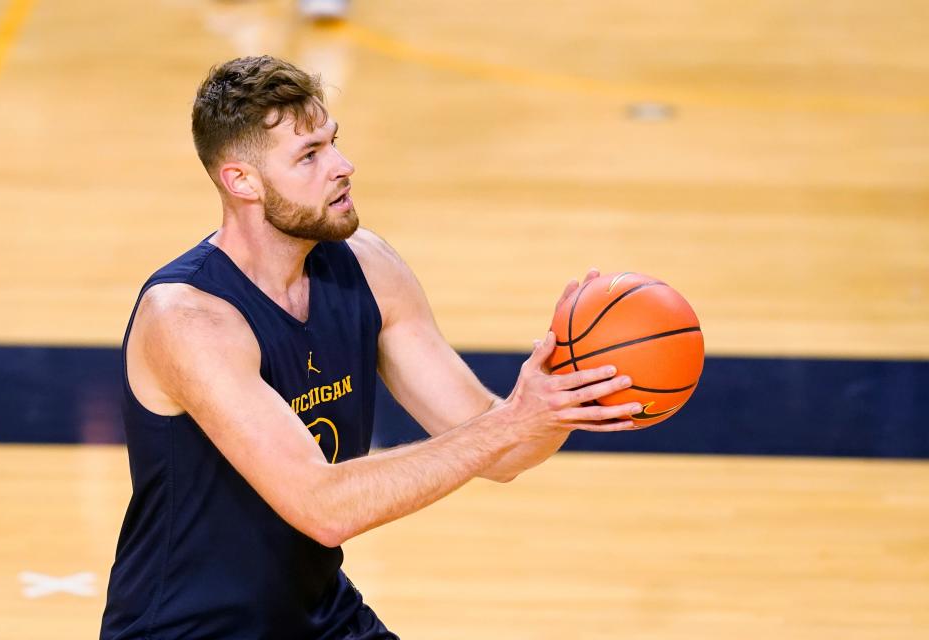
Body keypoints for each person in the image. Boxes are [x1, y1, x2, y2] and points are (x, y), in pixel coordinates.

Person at [100, 55, 644, 640]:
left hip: (319, 617)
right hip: (188, 630)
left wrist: (564, 392)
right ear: (242, 181)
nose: (342, 166)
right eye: (309, 156)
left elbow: (503, 452)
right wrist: (511, 422)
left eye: (332, 142)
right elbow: (323, 507)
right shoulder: (188, 318)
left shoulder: (368, 265)